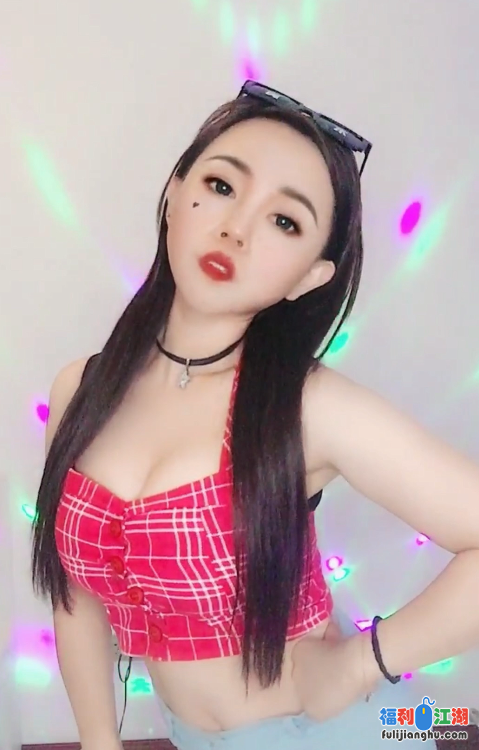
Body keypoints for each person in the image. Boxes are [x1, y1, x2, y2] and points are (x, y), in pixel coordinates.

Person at [31, 81, 479, 750]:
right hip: (187, 734)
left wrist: (360, 664)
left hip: (331, 732)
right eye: (221, 186)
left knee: (440, 727)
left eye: (284, 221)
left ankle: (436, 725)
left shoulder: (308, 407)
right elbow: (76, 596)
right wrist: (99, 739)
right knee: (441, 726)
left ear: (309, 276)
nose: (235, 228)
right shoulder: (81, 389)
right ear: (174, 194)